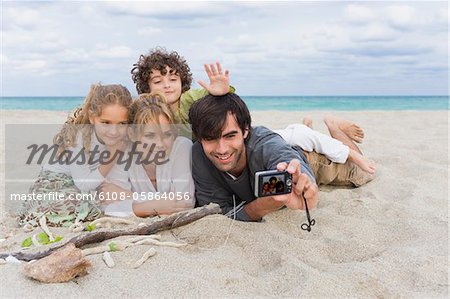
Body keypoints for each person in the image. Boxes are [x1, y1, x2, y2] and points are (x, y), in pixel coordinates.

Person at [189, 93, 375, 221]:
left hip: (310, 160)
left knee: (363, 173)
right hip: (289, 147)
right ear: (199, 138)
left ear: (245, 131)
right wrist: (264, 205)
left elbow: (286, 158)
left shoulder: (264, 143)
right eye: (210, 138)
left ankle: (335, 127)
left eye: (230, 136)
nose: (221, 149)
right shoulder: (199, 155)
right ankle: (309, 129)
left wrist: (307, 186)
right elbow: (221, 212)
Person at [17, 83, 132, 227]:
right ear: (92, 118)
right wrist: (113, 156)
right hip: (55, 184)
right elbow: (83, 184)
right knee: (77, 206)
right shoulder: (78, 138)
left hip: (83, 184)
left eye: (122, 123)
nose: (114, 131)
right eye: (106, 123)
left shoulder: (122, 138)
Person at [98, 93, 195, 218]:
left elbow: (185, 203)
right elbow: (108, 207)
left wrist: (129, 196)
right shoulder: (121, 154)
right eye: (150, 136)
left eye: (167, 135)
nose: (160, 144)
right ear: (133, 134)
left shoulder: (181, 147)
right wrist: (158, 206)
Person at [131, 47, 233, 138]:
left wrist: (219, 92)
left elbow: (205, 95)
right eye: (158, 81)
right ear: (147, 87)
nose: (167, 85)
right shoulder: (145, 112)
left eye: (173, 79)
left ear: (182, 81)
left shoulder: (187, 99)